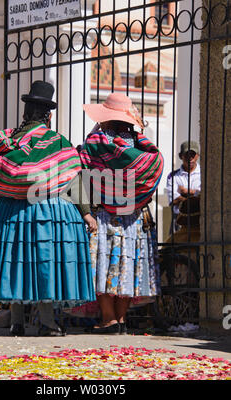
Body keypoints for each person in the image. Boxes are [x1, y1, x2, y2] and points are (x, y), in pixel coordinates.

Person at [0, 81, 97, 336]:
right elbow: (75, 177)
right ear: (48, 116)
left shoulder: (7, 142)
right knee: (45, 263)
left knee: (17, 263)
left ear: (24, 114)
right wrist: (86, 212)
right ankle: (46, 322)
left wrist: (10, 193)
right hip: (47, 212)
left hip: (9, 212)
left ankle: (17, 322)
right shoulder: (58, 143)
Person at [79, 92, 164, 334]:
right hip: (133, 216)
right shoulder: (141, 146)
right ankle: (121, 318)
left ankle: (107, 319)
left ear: (105, 117)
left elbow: (82, 175)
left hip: (103, 215)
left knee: (104, 265)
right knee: (127, 264)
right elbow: (154, 169)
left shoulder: (94, 143)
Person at [166, 141, 201, 234]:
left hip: (199, 220)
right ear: (180, 156)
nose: (190, 158)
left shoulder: (204, 174)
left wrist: (186, 192)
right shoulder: (172, 176)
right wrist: (195, 195)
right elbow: (173, 200)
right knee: (176, 247)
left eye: (193, 155)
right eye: (187, 154)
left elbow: (205, 198)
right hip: (179, 220)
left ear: (198, 155)